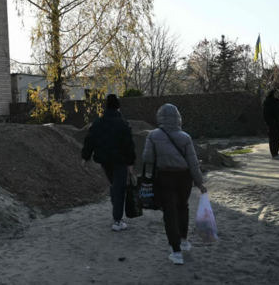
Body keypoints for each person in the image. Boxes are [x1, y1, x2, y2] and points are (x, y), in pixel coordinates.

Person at [143, 104, 207, 266]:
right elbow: (193, 163)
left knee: (169, 212)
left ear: (160, 117)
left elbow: (147, 158)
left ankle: (175, 251)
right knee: (183, 207)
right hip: (184, 177)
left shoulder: (153, 135)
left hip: (164, 176)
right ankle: (184, 241)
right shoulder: (185, 137)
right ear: (178, 117)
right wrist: (199, 183)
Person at [81, 94, 136, 232]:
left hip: (105, 160)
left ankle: (116, 213)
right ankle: (117, 220)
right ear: (118, 107)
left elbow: (90, 139)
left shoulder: (98, 123)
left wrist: (85, 157)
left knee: (114, 185)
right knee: (120, 188)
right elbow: (129, 144)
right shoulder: (123, 124)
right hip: (121, 160)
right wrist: (130, 164)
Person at [263, 90, 279, 160]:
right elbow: (266, 114)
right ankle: (274, 153)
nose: (277, 94)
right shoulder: (268, 102)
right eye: (275, 93)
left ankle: (276, 152)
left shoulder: (277, 101)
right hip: (272, 124)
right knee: (273, 139)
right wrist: (271, 123)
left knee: (277, 139)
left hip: (278, 124)